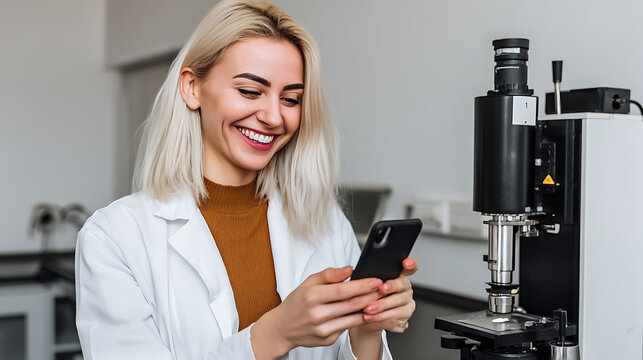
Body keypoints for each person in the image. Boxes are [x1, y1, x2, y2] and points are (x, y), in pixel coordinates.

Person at [75, 1, 417, 359]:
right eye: (250, 91)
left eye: (291, 99)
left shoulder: (326, 222)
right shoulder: (113, 237)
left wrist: (366, 329)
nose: (273, 116)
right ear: (192, 87)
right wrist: (272, 334)